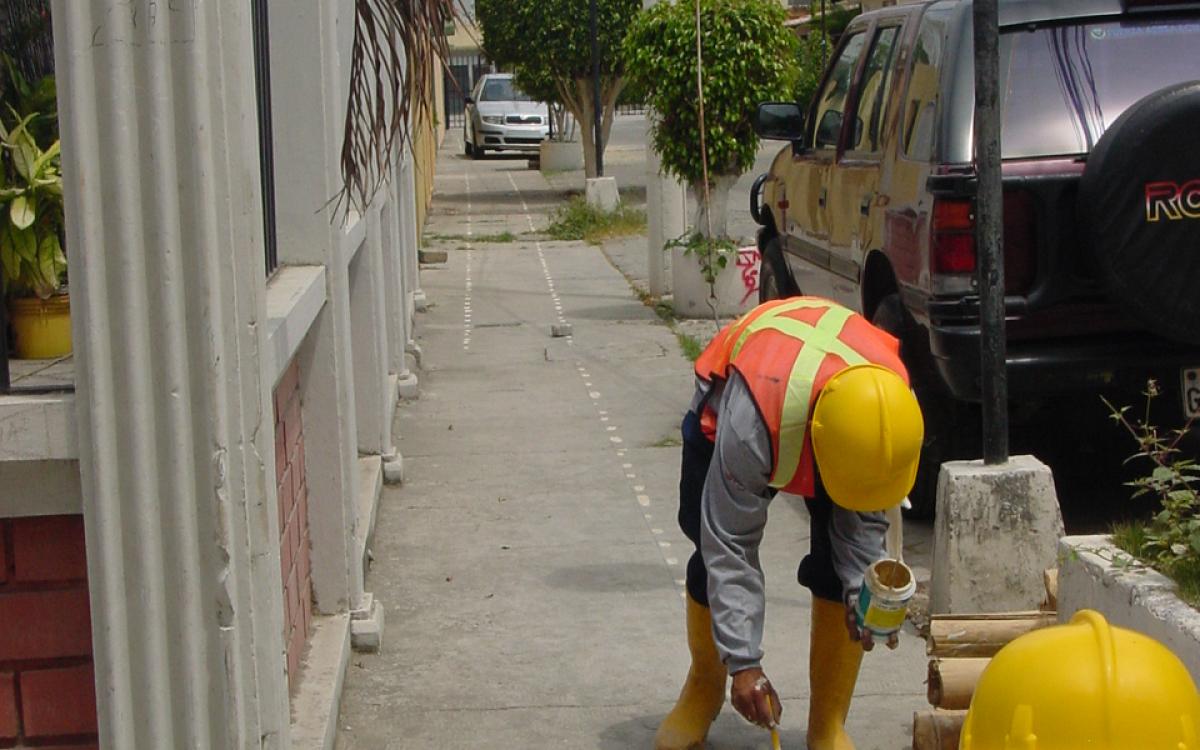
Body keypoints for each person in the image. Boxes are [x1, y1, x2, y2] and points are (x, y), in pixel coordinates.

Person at [654, 296, 924, 750]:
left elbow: (864, 522)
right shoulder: (750, 428)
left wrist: (864, 595)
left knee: (840, 565)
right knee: (708, 544)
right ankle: (704, 685)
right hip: (743, 400)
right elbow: (730, 543)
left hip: (829, 406)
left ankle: (828, 723)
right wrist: (744, 664)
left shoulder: (889, 408)